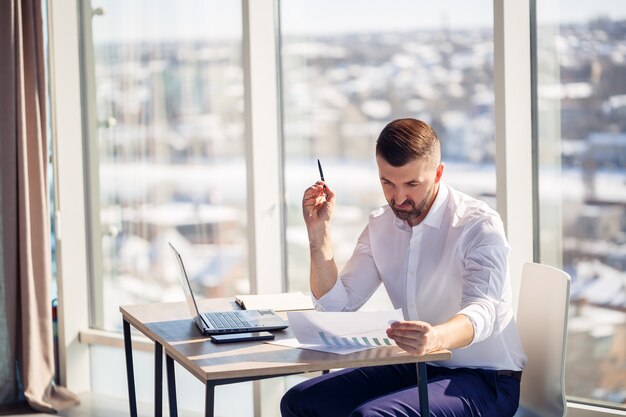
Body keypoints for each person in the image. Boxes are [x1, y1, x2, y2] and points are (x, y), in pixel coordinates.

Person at [281, 118, 527, 417]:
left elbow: (484, 310)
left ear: (438, 173)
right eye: (387, 182)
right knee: (299, 401)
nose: (398, 198)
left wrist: (435, 337)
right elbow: (338, 307)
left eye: (411, 184)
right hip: (417, 366)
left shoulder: (478, 225)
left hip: (484, 379)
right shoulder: (380, 225)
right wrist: (318, 235)